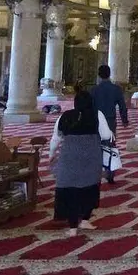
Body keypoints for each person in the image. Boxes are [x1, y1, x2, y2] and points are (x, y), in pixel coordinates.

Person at [49, 91, 113, 237]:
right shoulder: (97, 115)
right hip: (91, 156)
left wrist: (51, 155)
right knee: (90, 188)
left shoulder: (65, 116)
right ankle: (85, 219)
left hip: (69, 157)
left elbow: (56, 138)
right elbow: (106, 135)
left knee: (71, 190)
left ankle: (72, 228)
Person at [91, 65, 128, 184]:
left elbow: (90, 107)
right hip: (110, 121)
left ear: (99, 75)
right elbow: (122, 106)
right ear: (109, 74)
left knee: (97, 146)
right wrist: (124, 120)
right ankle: (110, 174)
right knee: (110, 146)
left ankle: (96, 173)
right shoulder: (116, 89)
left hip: (97, 121)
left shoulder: (95, 90)